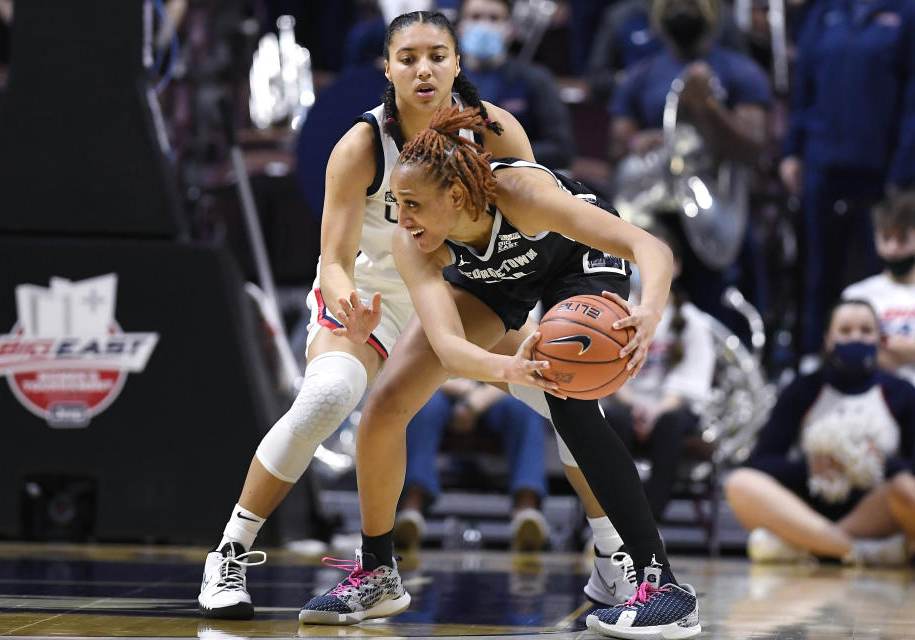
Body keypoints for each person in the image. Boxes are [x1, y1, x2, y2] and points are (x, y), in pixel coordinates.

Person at [198, 10, 634, 621]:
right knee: (329, 394)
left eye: (437, 55)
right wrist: (345, 304)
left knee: (571, 394)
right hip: (373, 301)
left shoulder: (499, 133)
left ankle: (617, 560)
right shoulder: (359, 145)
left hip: (466, 296)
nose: (423, 68)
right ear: (388, 69)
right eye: (408, 58)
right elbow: (332, 258)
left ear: (458, 64)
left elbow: (530, 246)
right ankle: (233, 552)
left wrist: (549, 329)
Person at [298, 106, 701, 639]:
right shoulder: (414, 242)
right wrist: (510, 367)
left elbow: (649, 246)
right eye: (399, 204)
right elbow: (448, 346)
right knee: (385, 405)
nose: (403, 217)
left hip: (573, 263)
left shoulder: (525, 197)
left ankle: (664, 586)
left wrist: (649, 312)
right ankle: (377, 572)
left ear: (459, 198)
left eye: (414, 204)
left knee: (571, 407)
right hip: (494, 276)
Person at [608, 0, 771, 323]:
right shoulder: (643, 72)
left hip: (717, 209)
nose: (681, 10)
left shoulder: (739, 70)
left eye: (690, 4)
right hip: (658, 211)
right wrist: (634, 140)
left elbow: (754, 146)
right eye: (672, 4)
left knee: (719, 308)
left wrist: (709, 107)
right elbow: (617, 141)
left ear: (710, 12)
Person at [724, 300, 915, 565]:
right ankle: (856, 550)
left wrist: (882, 464)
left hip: (873, 509)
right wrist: (809, 469)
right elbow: (762, 460)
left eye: (865, 330)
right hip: (808, 509)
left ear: (880, 339)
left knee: (907, 489)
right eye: (845, 331)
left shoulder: (902, 392)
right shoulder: (804, 388)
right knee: (740, 483)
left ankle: (806, 547)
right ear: (828, 339)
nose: (856, 337)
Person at [780, 0, 915, 360]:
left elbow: (912, 98)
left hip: (880, 167)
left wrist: (903, 168)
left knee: (880, 268)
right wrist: (793, 150)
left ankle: (881, 361)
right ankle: (811, 358)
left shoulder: (905, 12)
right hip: (823, 162)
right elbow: (803, 85)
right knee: (818, 270)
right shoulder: (824, 11)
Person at [602, 227, 716, 521]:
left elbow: (690, 384)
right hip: (624, 406)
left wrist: (655, 410)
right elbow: (605, 370)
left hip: (670, 411)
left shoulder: (692, 322)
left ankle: (647, 526)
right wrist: (633, 404)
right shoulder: (613, 311)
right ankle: (608, 523)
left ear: (675, 268)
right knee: (612, 422)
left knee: (670, 424)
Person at [394, 378, 551, 551]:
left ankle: (526, 514)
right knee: (422, 405)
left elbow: (522, 373)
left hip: (496, 393)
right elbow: (418, 369)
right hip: (443, 390)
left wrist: (476, 402)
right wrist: (465, 390)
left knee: (526, 406)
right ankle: (411, 512)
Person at [456, 0, 575, 169]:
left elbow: (561, 150)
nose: (484, 25)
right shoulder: (443, 80)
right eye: (475, 17)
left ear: (510, 29)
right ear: (459, 27)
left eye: (494, 18)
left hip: (520, 180)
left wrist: (499, 154)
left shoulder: (536, 79)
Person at [586, 0, 746, 106]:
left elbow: (745, 71)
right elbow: (596, 80)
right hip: (647, 115)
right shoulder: (622, 17)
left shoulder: (717, 13)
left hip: (713, 108)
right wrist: (630, 82)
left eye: (690, 6)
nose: (681, 10)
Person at [843, 193, 915, 386]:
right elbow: (849, 352)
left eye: (902, 238)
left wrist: (880, 345)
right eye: (885, 237)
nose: (892, 249)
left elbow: (869, 348)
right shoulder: (856, 295)